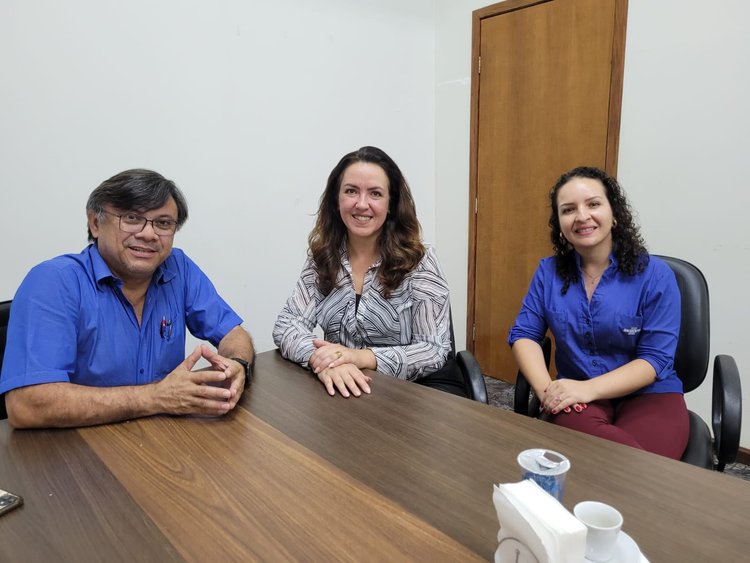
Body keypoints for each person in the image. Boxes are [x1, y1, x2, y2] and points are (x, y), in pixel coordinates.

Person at [0, 169, 254, 428]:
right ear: (95, 223)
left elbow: (234, 334)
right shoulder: (53, 282)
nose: (148, 234)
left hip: (160, 443)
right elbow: (26, 404)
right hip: (75, 450)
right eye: (132, 218)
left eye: (163, 223)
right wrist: (156, 397)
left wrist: (237, 365)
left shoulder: (179, 269)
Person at [508, 166, 689, 459]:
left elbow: (655, 359)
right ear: (560, 224)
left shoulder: (656, 275)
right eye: (568, 210)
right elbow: (524, 335)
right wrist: (546, 392)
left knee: (645, 471)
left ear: (614, 212)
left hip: (649, 394)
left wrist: (587, 390)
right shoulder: (548, 272)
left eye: (593, 204)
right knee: (621, 470)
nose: (581, 216)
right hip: (576, 392)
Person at [273, 146, 454, 398]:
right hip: (347, 387)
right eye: (351, 191)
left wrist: (361, 357)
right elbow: (287, 325)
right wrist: (323, 360)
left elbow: (434, 350)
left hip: (413, 393)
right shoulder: (324, 257)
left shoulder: (420, 260)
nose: (361, 204)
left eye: (375, 194)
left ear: (391, 203)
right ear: (337, 201)